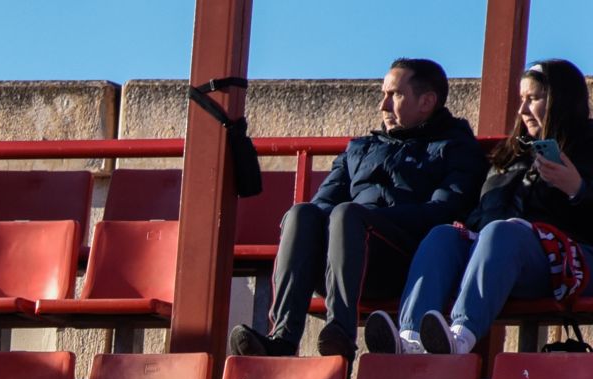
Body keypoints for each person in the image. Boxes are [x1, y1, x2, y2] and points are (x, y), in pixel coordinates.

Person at [230, 58, 485, 359]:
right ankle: (282, 340)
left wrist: (368, 219)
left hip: (402, 263)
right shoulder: (360, 148)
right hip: (338, 259)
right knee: (302, 213)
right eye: (383, 94)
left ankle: (341, 335)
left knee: (348, 213)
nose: (383, 105)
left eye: (395, 95)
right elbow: (323, 199)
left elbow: (443, 210)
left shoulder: (456, 148)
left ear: (427, 101)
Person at [367, 59, 593, 356]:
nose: (523, 111)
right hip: (497, 256)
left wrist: (577, 189)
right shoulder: (510, 154)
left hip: (566, 262)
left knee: (503, 232)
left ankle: (460, 338)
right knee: (442, 236)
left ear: (560, 101)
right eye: (521, 100)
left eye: (533, 100)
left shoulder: (587, 146)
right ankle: (410, 337)